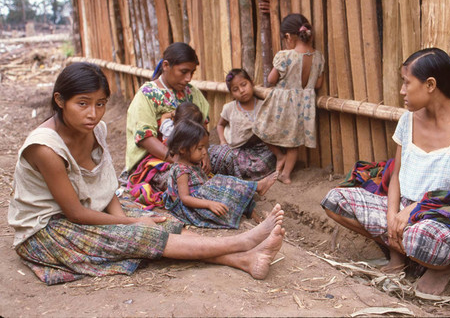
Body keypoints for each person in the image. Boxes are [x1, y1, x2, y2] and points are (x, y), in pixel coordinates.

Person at [8, 62, 286, 285]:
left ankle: (246, 259)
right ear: (60, 100)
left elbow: (105, 187)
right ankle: (242, 243)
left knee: (159, 221)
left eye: (101, 103)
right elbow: (75, 214)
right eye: (82, 103)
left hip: (86, 206)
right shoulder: (45, 147)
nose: (93, 114)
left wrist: (128, 218)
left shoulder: (96, 130)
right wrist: (129, 224)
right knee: (138, 235)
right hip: (48, 229)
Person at [320, 48, 450, 295]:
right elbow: (397, 176)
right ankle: (402, 255)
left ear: (430, 85)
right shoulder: (407, 119)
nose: (402, 91)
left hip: (446, 219)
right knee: (335, 200)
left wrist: (416, 208)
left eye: (406, 83)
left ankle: (440, 266)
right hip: (405, 212)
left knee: (420, 236)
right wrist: (393, 215)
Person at [125, 42, 210, 207]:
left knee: (225, 155)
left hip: (193, 154)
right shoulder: (147, 94)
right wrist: (179, 161)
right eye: (184, 72)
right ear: (166, 66)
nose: (188, 78)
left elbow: (203, 129)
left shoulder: (193, 93)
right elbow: (145, 138)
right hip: (156, 160)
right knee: (182, 180)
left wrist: (204, 154)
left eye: (192, 73)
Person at [165, 119, 279, 228]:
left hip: (202, 197)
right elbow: (185, 198)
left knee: (228, 188)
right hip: (192, 208)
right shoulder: (181, 170)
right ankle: (257, 187)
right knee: (221, 182)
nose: (205, 152)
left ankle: (255, 216)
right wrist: (210, 204)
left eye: (204, 147)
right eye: (200, 148)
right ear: (183, 149)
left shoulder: (193, 162)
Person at [253, 13, 325, 184]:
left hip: (283, 103)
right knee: (294, 142)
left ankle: (279, 155)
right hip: (304, 105)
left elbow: (271, 80)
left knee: (259, 127)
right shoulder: (318, 57)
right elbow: (318, 84)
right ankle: (286, 174)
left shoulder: (285, 56)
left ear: (288, 36)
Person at [128, 102, 205, 208]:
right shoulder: (171, 130)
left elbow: (164, 116)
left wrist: (173, 114)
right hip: (168, 158)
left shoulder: (169, 126)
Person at [209, 68, 276, 180]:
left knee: (265, 161)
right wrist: (222, 141)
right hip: (236, 149)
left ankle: (236, 171)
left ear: (252, 82)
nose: (241, 90)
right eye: (235, 89)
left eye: (244, 85)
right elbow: (220, 125)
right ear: (232, 93)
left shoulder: (262, 106)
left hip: (259, 149)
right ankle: (239, 170)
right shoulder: (229, 108)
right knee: (223, 157)